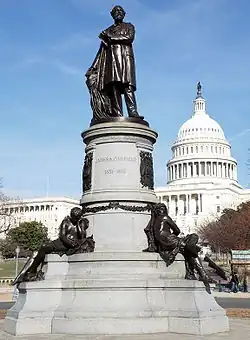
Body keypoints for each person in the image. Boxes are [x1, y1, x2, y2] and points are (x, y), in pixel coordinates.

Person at [143, 203, 214, 293]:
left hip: (162, 245)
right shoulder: (165, 217)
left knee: (188, 249)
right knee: (194, 237)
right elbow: (177, 230)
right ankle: (202, 274)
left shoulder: (153, 222)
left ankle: (191, 273)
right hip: (170, 241)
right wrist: (174, 237)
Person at [12, 207, 95, 285]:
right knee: (38, 251)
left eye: (76, 218)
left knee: (42, 248)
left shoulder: (81, 223)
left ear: (79, 217)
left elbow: (83, 236)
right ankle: (27, 273)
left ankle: (29, 273)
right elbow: (62, 235)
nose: (74, 219)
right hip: (61, 243)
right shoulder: (66, 222)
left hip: (68, 246)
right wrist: (69, 243)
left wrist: (78, 224)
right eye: (73, 217)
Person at [86, 5, 141, 118]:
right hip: (112, 62)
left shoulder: (129, 26)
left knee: (128, 87)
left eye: (120, 11)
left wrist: (110, 37)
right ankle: (117, 113)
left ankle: (133, 112)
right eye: (116, 11)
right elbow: (101, 51)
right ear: (112, 15)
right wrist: (93, 67)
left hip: (125, 60)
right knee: (114, 87)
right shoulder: (108, 30)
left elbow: (128, 38)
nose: (118, 13)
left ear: (124, 14)